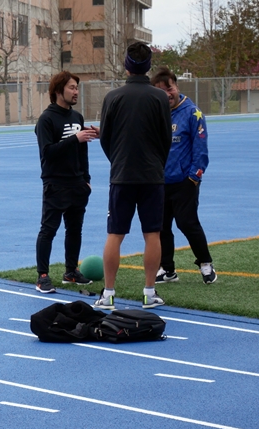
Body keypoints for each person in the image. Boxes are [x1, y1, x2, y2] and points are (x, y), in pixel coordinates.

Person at [97, 42, 172, 310]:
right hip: (152, 176)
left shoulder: (113, 97)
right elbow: (166, 138)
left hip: (122, 176)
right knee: (152, 234)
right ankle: (149, 292)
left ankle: (108, 293)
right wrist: (155, 164)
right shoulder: (159, 97)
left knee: (115, 234)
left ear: (126, 65)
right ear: (148, 66)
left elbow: (105, 138)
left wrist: (118, 161)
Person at [34, 71, 99, 293]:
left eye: (77, 88)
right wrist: (74, 138)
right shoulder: (46, 119)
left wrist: (86, 180)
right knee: (48, 230)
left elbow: (82, 152)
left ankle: (71, 271)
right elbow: (47, 153)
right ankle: (42, 276)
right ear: (58, 90)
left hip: (77, 184)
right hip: (55, 184)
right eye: (72, 87)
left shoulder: (77, 118)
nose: (76, 92)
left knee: (75, 230)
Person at [150, 67, 216, 285]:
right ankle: (167, 269)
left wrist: (194, 177)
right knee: (161, 226)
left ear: (176, 86)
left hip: (184, 181)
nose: (166, 94)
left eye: (169, 88)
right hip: (159, 182)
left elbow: (201, 149)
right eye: (160, 91)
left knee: (187, 223)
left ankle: (205, 263)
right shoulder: (156, 113)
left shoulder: (193, 113)